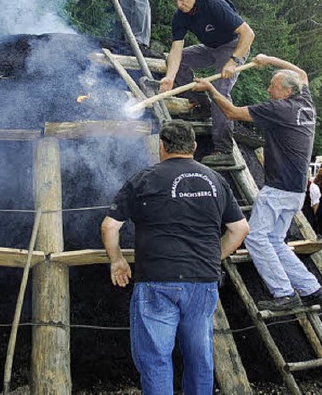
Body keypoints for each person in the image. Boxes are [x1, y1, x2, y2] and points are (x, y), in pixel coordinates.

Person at [101, 120, 249, 394]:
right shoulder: (216, 180)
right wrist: (212, 257)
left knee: (156, 358)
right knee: (199, 358)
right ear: (193, 146)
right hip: (202, 283)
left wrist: (117, 260)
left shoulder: (143, 179)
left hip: (157, 280)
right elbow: (240, 228)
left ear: (162, 146)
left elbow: (110, 225)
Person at [194, 54, 322, 311]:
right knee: (275, 241)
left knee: (256, 238)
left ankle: (284, 293)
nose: (268, 90)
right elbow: (301, 71)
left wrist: (211, 89)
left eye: (273, 87)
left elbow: (232, 112)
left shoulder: (280, 109)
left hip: (279, 189)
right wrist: (269, 60)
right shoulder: (305, 102)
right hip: (296, 189)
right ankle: (312, 288)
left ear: (287, 92)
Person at [159, 0, 255, 166]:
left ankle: (224, 149)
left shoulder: (213, 4)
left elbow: (248, 33)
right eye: (176, 0)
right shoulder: (180, 17)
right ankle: (201, 101)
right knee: (174, 60)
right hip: (209, 48)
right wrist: (170, 78)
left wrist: (233, 61)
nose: (179, 4)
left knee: (220, 91)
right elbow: (176, 49)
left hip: (233, 46)